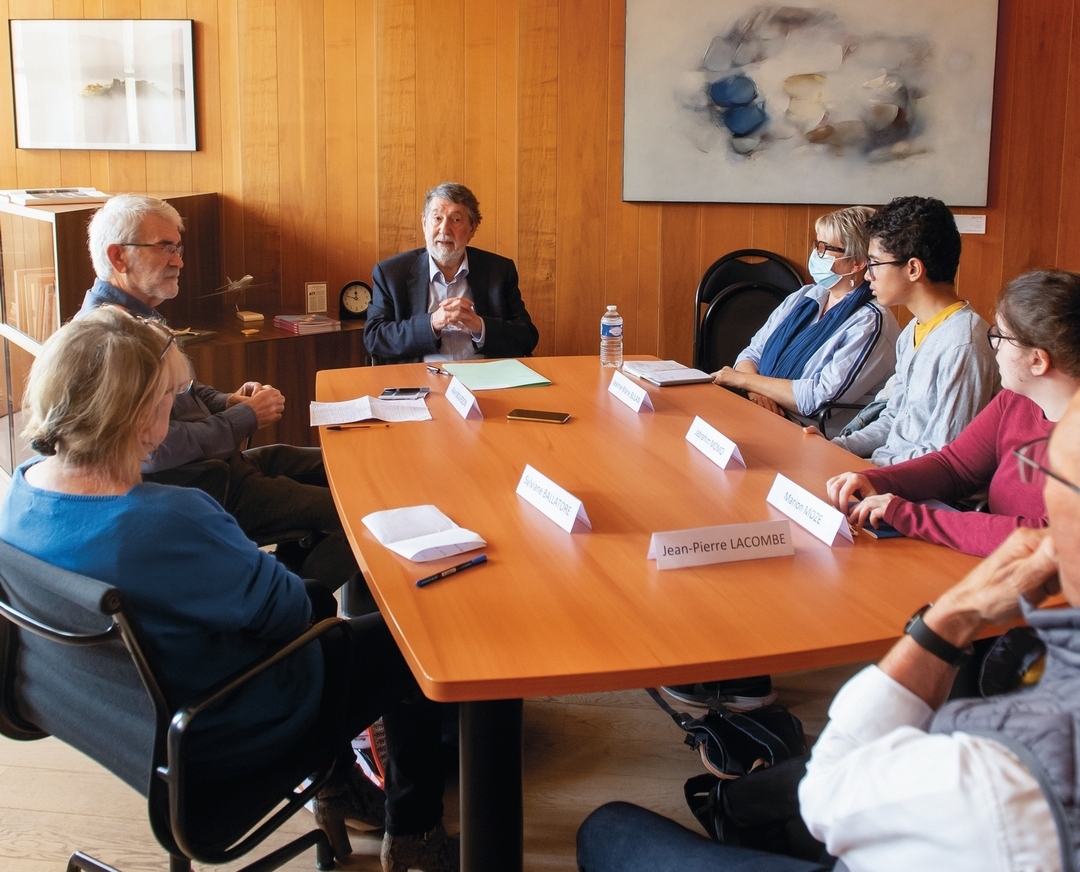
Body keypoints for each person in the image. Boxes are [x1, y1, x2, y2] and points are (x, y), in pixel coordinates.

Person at [0, 308, 457, 872]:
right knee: (415, 641)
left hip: (110, 723)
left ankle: (340, 787)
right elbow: (294, 613)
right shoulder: (173, 518)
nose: (175, 403)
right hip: (223, 735)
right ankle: (414, 829)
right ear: (144, 418)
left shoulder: (18, 497)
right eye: (170, 395)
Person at [577, 383, 1080, 872]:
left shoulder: (1006, 767)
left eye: (1048, 473)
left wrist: (949, 619)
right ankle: (741, 808)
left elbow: (827, 794)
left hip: (881, 813)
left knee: (606, 829)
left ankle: (741, 810)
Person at [81, 194, 364, 601]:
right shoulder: (110, 337)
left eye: (178, 248)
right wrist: (243, 419)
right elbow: (152, 450)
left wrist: (226, 401)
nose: (179, 260)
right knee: (355, 513)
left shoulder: (142, 313)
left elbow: (185, 391)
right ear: (118, 257)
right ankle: (295, 612)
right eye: (165, 247)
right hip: (199, 488)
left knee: (342, 465)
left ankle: (283, 579)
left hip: (220, 466)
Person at [828, 269, 1080, 557]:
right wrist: (877, 481)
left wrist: (908, 515)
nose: (994, 346)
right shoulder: (1015, 400)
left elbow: (1047, 538)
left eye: (1001, 336)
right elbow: (955, 467)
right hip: (995, 565)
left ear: (1037, 361)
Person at [826, 195, 999, 465]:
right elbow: (895, 418)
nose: (869, 274)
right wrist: (836, 448)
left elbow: (943, 457)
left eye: (874, 263)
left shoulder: (962, 345)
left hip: (918, 490)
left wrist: (866, 470)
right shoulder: (914, 329)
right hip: (886, 471)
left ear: (914, 269)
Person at [711, 206, 899, 432]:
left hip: (809, 433)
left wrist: (742, 380)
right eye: (816, 244)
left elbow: (817, 398)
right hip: (759, 411)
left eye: (825, 248)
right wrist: (756, 392)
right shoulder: (805, 296)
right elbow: (752, 353)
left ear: (857, 262)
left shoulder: (870, 322)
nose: (816, 253)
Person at [363, 182, 539, 364]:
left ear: (472, 228)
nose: (444, 230)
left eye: (456, 220)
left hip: (485, 376)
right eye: (437, 218)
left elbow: (527, 336)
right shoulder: (391, 273)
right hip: (421, 379)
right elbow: (375, 338)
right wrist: (432, 324)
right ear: (424, 223)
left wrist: (479, 326)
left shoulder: (499, 270)